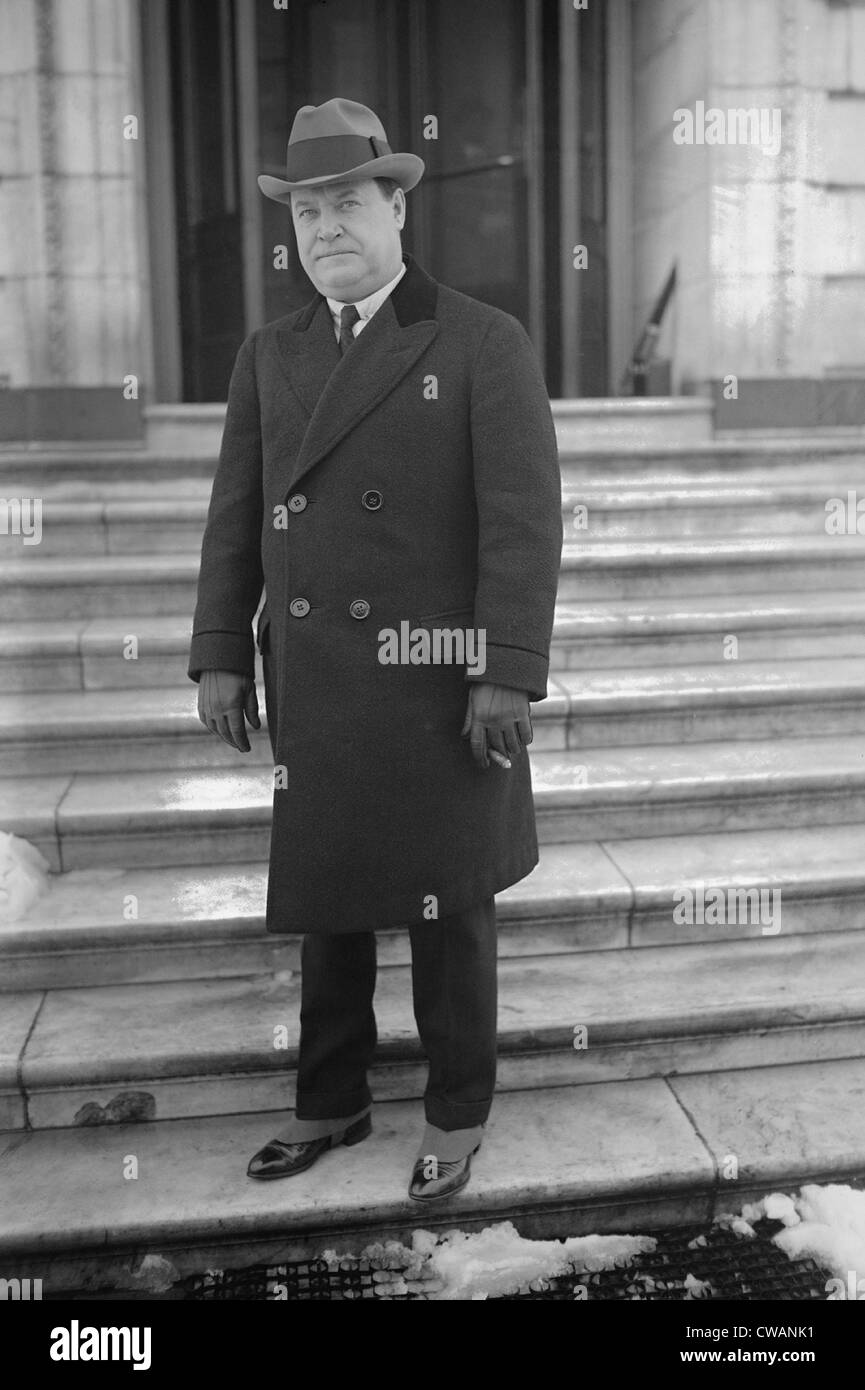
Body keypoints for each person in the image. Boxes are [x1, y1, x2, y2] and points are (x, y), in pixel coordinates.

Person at [189, 98, 563, 1202]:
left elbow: (521, 518)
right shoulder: (272, 352)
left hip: (441, 674)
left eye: (346, 202)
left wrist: (505, 664)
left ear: (396, 207)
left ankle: (456, 1109)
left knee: (452, 906)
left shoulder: (479, 339)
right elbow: (236, 511)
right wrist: (220, 646)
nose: (325, 228)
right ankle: (331, 1096)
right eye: (306, 211)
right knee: (330, 894)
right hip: (318, 678)